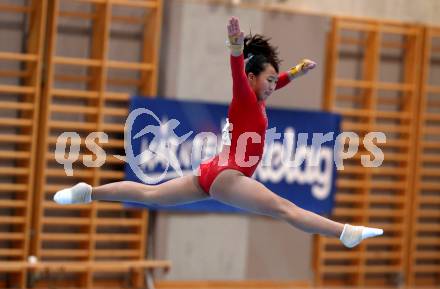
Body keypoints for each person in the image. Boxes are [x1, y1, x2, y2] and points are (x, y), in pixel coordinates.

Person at [54, 16, 382, 248]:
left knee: (151, 194)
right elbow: (238, 71)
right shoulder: (244, 95)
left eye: (273, 81)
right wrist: (235, 48)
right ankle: (344, 232)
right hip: (228, 176)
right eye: (267, 80)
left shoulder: (255, 97)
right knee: (286, 209)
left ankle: (89, 193)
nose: (273, 86)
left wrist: (294, 73)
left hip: (212, 173)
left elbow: (274, 81)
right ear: (252, 78)